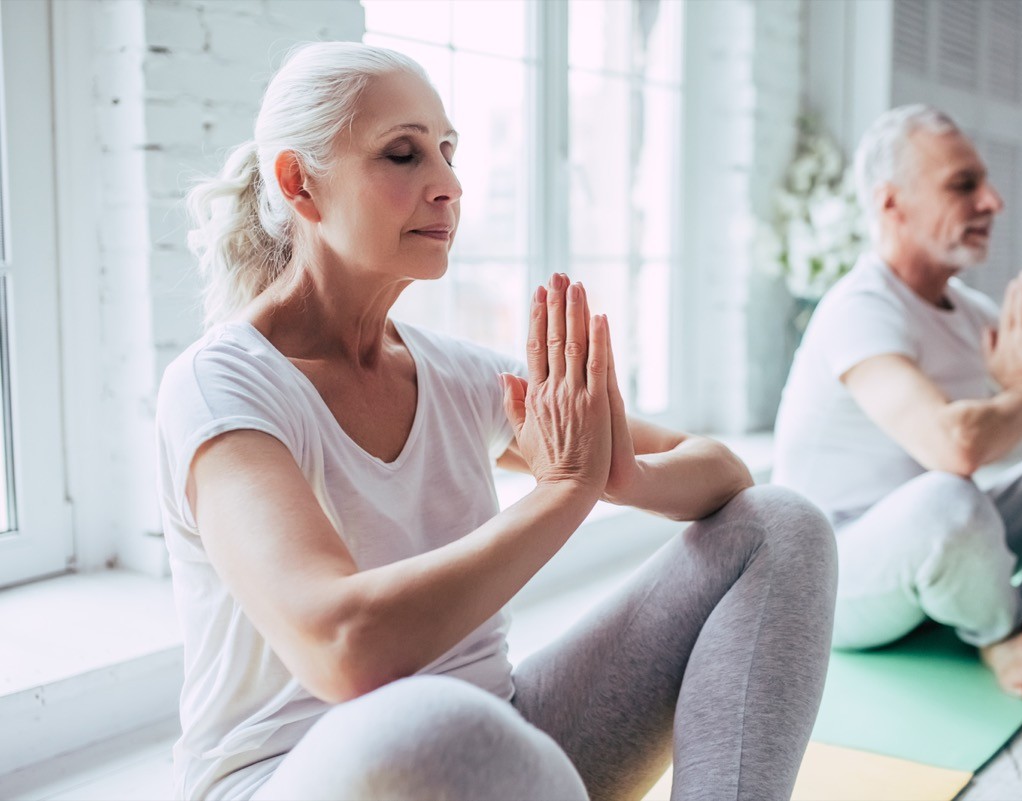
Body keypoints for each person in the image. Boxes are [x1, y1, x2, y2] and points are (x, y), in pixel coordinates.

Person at [155, 42, 837, 801]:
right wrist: (566, 490)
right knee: (443, 730)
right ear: (298, 183)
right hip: (310, 774)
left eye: (447, 151)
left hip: (501, 751)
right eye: (403, 154)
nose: (448, 184)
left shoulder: (455, 375)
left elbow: (721, 470)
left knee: (780, 523)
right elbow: (342, 647)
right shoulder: (221, 386)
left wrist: (619, 472)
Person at [772, 104, 1022, 699]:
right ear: (890, 203)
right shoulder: (860, 307)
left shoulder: (972, 312)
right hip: (832, 576)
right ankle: (998, 630)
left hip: (940, 539)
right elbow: (955, 446)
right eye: (964, 185)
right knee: (951, 495)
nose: (993, 201)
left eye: (985, 183)